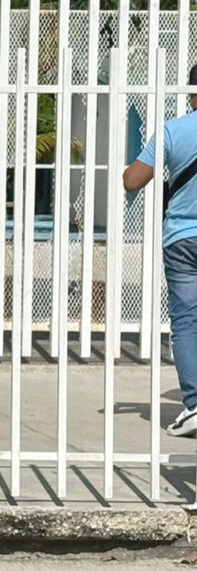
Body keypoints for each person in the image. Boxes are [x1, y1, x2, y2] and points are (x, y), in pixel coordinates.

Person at [123, 62, 197, 437]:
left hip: (182, 239)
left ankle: (196, 404)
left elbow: (133, 181)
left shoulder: (172, 130)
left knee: (186, 322)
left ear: (191, 92)